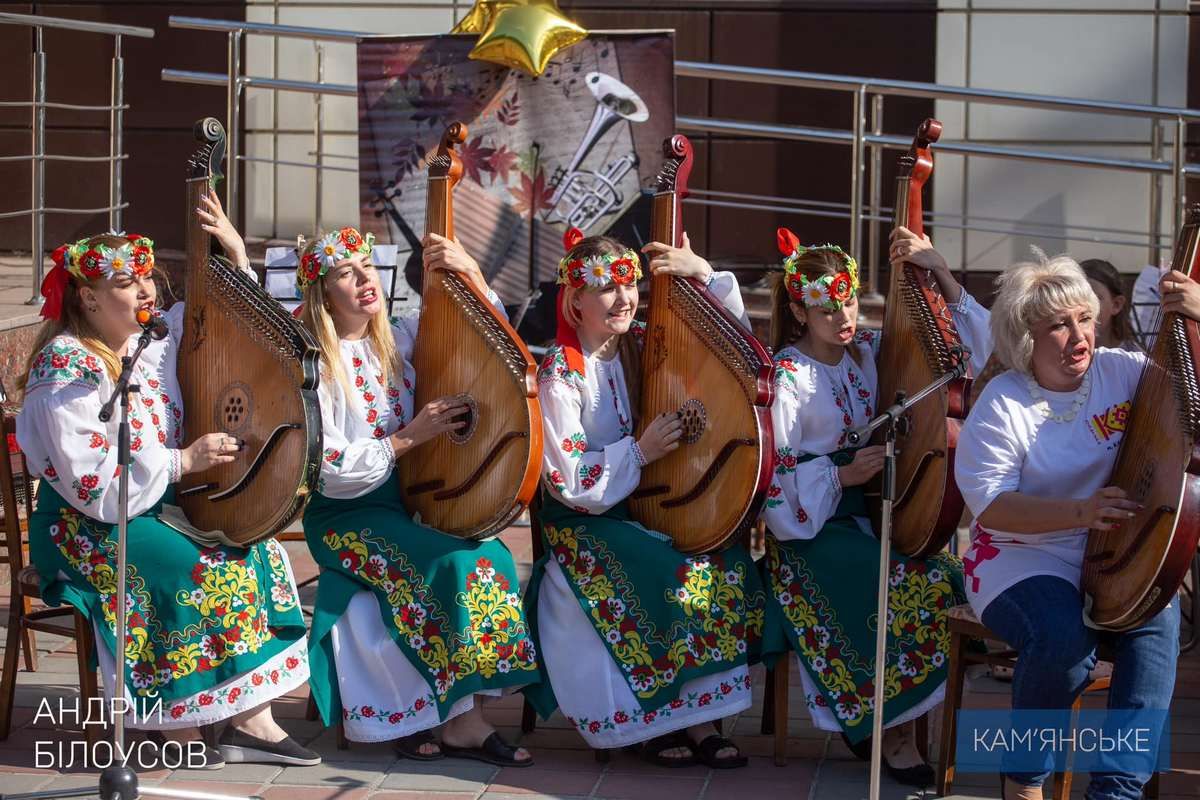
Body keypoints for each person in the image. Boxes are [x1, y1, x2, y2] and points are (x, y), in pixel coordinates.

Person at [14, 192, 319, 769]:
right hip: (89, 524)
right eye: (130, 283)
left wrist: (232, 251)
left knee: (253, 547)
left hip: (151, 504)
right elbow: (93, 484)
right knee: (194, 567)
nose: (148, 290)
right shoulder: (68, 366)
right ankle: (178, 724)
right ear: (88, 296)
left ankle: (245, 719)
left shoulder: (154, 342)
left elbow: (236, 322)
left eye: (149, 277)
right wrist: (182, 461)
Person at [522, 229, 765, 768]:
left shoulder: (648, 345)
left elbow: (735, 351)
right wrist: (640, 450)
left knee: (718, 557)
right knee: (668, 567)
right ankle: (654, 722)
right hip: (587, 524)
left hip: (648, 506)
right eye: (606, 287)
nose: (623, 298)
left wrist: (702, 274)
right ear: (575, 301)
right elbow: (574, 482)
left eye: (629, 283)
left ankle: (700, 720)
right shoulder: (561, 374)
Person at [296, 227, 538, 765]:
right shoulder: (313, 363)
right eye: (345, 272)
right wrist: (408, 438)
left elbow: (481, 333)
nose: (364, 280)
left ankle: (456, 710)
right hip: (344, 518)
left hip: (410, 502)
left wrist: (469, 271)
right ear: (322, 292)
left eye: (366, 265)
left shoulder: (400, 339)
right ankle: (461, 722)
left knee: (492, 554)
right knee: (452, 562)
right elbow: (323, 467)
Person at [759, 226, 990, 786]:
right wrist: (839, 473)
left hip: (876, 513)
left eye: (850, 302)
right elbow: (774, 475)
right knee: (896, 582)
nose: (843, 317)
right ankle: (892, 735)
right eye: (826, 309)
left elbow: (973, 353)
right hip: (810, 537)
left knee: (943, 575)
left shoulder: (869, 350)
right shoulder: (785, 374)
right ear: (797, 310)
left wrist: (941, 275)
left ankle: (890, 722)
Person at [955, 252, 1189, 800]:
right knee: (1064, 641)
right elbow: (990, 506)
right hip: (1017, 556)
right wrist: (1081, 512)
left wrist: (1197, 313)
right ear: (1024, 336)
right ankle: (1026, 780)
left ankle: (1115, 790)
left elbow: (1189, 395)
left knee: (1159, 626)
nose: (1080, 335)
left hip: (1110, 549)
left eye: (1084, 318)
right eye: (1059, 325)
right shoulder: (1003, 403)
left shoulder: (1122, 370)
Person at [1080, 259, 1142, 351]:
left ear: (1116, 305)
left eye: (1093, 299)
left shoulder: (1132, 359)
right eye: (1076, 299)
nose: (1081, 307)